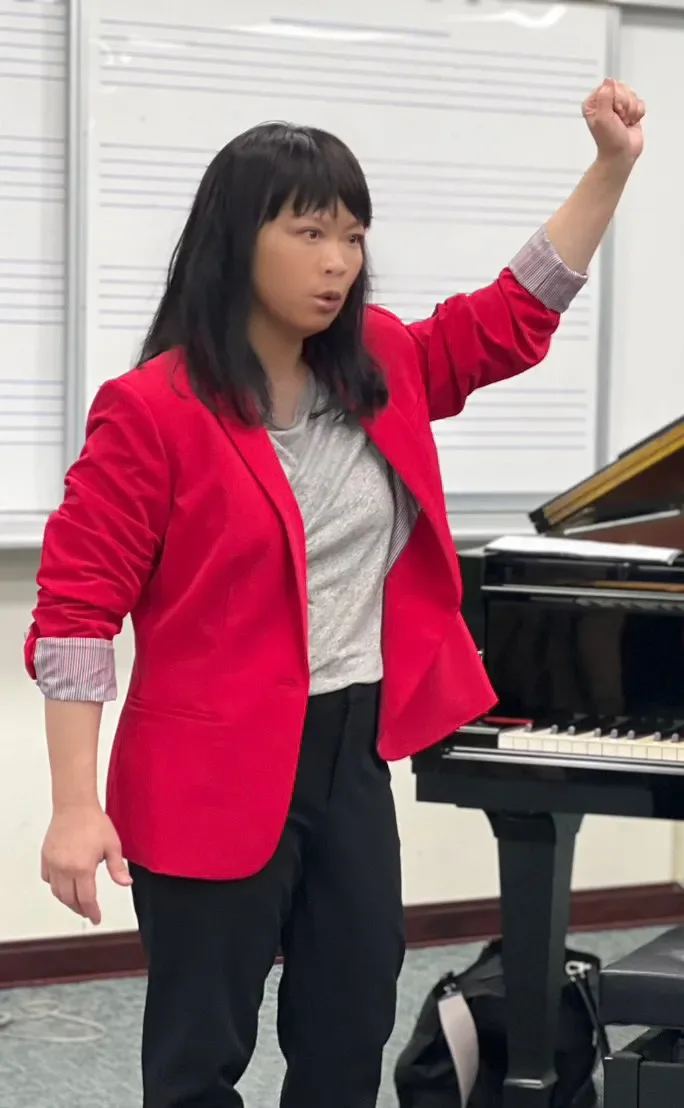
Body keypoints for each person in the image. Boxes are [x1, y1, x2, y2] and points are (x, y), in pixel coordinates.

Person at [25, 77, 646, 1108]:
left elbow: (510, 318)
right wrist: (74, 804)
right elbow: (78, 612)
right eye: (311, 232)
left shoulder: (382, 361)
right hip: (205, 766)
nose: (339, 262)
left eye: (353, 236)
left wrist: (609, 169)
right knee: (199, 1054)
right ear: (238, 241)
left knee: (350, 1023)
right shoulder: (149, 412)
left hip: (348, 755)